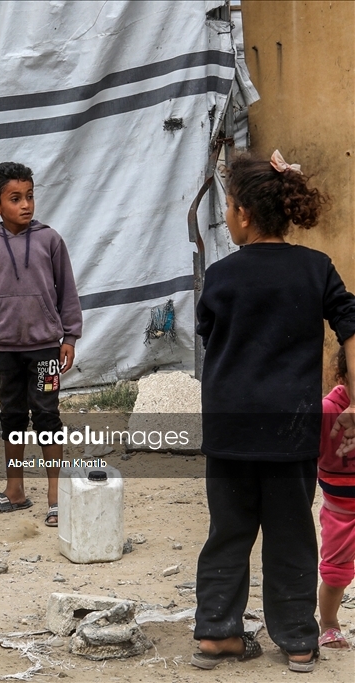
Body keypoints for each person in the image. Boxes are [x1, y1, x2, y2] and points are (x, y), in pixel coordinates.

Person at [190, 150, 355, 673]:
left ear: (241, 214)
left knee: (229, 531)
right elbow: (350, 325)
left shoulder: (220, 277)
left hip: (229, 431)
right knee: (291, 534)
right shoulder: (316, 269)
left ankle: (217, 633)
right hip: (292, 431)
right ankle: (300, 641)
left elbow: (209, 336)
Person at [0, 162, 82, 527]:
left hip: (45, 347)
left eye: (30, 196)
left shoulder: (50, 239)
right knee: (12, 415)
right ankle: (15, 490)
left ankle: (55, 496)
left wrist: (70, 335)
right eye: (15, 199)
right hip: (5, 351)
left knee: (47, 414)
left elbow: (68, 292)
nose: (26, 205)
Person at [317, 346, 355, 650]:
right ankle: (329, 623)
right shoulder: (327, 411)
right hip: (342, 511)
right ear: (342, 376)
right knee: (336, 572)